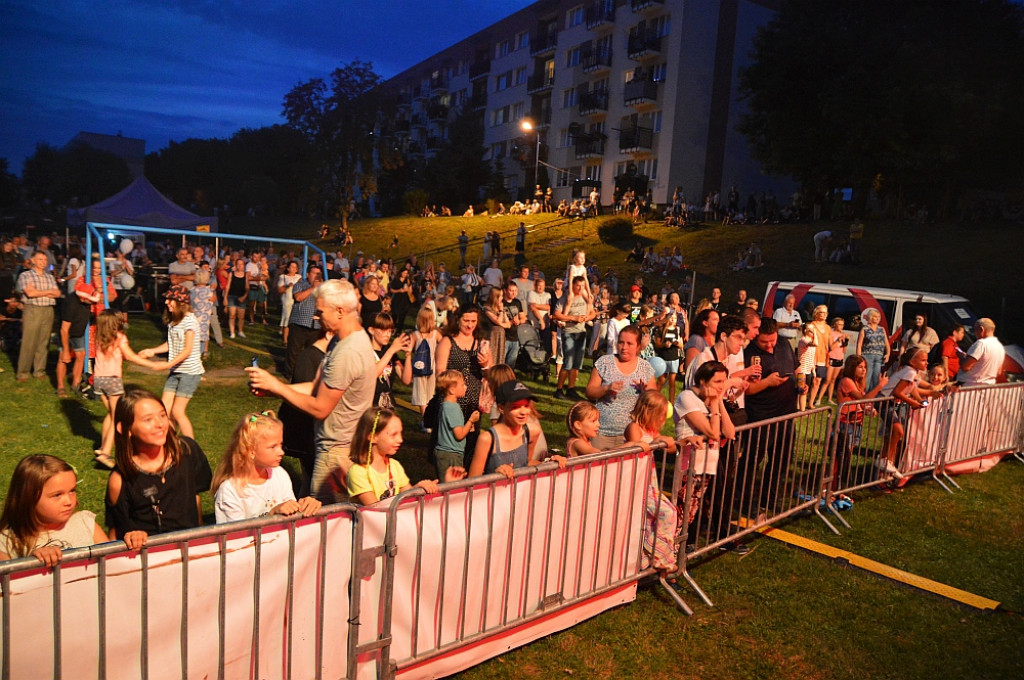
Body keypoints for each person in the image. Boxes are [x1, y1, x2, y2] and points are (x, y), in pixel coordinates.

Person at [247, 279, 376, 505]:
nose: (316, 317)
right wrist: (273, 389)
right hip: (339, 447)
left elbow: (320, 407)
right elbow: (318, 388)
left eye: (320, 311)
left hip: (336, 453)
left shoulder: (348, 352)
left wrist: (277, 386)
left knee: (328, 527)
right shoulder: (345, 340)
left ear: (339, 311)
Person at [105, 389, 213, 548]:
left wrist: (199, 538)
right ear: (125, 429)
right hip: (150, 559)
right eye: (148, 419)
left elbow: (195, 495)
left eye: (163, 415)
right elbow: (115, 535)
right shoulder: (120, 479)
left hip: (191, 550)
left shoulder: (188, 451)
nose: (160, 424)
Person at [0, 455, 110, 566]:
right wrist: (34, 562)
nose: (68, 501)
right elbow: (9, 582)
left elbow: (113, 562)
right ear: (28, 498)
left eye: (72, 491)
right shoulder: (7, 542)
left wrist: (128, 543)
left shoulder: (85, 523)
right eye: (57, 495)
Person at [212, 411, 321, 522]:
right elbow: (235, 536)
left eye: (281, 445)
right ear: (251, 451)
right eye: (273, 447)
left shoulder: (279, 474)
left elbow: (291, 512)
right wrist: (272, 514)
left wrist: (303, 505)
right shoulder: (230, 491)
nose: (281, 452)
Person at [741, 318, 805, 509]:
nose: (769, 345)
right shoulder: (749, 354)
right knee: (752, 461)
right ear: (755, 338)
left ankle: (769, 499)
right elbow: (746, 389)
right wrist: (767, 383)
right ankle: (746, 501)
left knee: (781, 461)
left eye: (772, 340)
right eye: (764, 342)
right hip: (760, 416)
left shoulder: (784, 344)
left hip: (786, 415)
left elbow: (797, 368)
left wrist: (801, 382)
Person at [347, 408, 466, 505]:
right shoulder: (358, 473)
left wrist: (445, 485)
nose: (400, 439)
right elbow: (376, 510)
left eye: (400, 433)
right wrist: (415, 491)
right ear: (372, 437)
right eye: (393, 435)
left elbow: (408, 501)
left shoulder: (394, 465)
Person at [624, 389, 683, 572]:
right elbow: (639, 447)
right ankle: (660, 555)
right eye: (660, 417)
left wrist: (667, 442)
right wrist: (657, 442)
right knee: (667, 513)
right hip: (638, 482)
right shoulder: (634, 427)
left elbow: (670, 448)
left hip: (650, 480)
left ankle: (646, 558)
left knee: (651, 520)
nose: (662, 422)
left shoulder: (651, 430)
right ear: (649, 412)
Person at [136, 285, 204, 439]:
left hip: (189, 372)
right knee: (164, 410)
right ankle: (171, 441)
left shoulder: (190, 321)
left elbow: (187, 350)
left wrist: (166, 364)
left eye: (170, 299)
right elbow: (171, 343)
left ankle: (192, 447)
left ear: (181, 302)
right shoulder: (174, 322)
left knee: (177, 412)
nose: (166, 302)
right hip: (176, 370)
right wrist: (152, 351)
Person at [92, 309, 156, 468]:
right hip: (113, 381)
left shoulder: (98, 337)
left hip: (99, 380)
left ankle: (101, 447)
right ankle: (106, 453)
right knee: (117, 418)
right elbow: (131, 356)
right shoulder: (120, 338)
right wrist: (153, 364)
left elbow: (123, 356)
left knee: (110, 414)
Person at [468, 381, 565, 478]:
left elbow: (527, 463)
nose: (523, 412)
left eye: (526, 406)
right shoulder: (487, 439)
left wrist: (550, 463)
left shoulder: (532, 432)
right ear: (501, 408)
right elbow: (473, 480)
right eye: (515, 407)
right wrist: (496, 473)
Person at [586, 325, 657, 449]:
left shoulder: (645, 368)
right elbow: (590, 392)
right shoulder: (604, 362)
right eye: (621, 342)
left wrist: (645, 393)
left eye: (629, 344)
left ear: (638, 347)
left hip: (630, 436)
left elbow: (655, 402)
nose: (624, 347)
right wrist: (606, 389)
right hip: (601, 432)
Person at [877, 348, 934, 479]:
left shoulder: (913, 372)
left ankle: (887, 462)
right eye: (923, 360)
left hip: (893, 404)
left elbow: (912, 388)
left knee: (891, 434)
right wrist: (912, 403)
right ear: (912, 362)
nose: (927, 363)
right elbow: (897, 392)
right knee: (898, 431)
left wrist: (920, 400)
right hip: (885, 402)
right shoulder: (909, 371)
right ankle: (884, 461)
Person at [834, 355, 888, 489]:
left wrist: (869, 409)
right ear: (852, 368)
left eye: (865, 367)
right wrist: (879, 386)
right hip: (845, 424)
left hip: (856, 423)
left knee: (847, 455)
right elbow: (862, 399)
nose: (864, 370)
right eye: (860, 367)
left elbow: (862, 403)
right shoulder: (847, 381)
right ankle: (835, 485)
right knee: (842, 457)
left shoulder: (858, 383)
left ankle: (841, 485)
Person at [15, 250, 60, 381]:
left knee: (43, 342)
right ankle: (23, 372)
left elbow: (56, 293)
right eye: (40, 259)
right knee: (29, 341)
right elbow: (30, 293)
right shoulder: (26, 275)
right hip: (33, 310)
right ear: (33, 260)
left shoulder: (49, 276)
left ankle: (39, 370)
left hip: (48, 310)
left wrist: (39, 292)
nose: (43, 262)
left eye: (45, 260)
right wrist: (48, 291)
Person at [552, 276, 594, 400]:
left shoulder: (585, 297)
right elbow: (556, 314)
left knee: (577, 364)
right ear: (573, 285)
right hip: (569, 332)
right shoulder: (566, 297)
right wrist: (573, 318)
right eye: (578, 286)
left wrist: (587, 318)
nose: (580, 288)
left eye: (582, 286)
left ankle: (571, 388)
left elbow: (592, 313)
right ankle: (559, 390)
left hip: (581, 332)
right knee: (567, 362)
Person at [433, 370, 481, 479]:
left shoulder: (446, 405)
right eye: (463, 385)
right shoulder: (452, 408)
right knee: (450, 487)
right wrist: (471, 421)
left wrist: (468, 427)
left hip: (447, 453)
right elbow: (459, 435)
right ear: (452, 390)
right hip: (451, 455)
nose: (466, 387)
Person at [402, 306, 443, 428]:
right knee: (430, 395)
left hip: (419, 368)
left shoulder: (415, 335)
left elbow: (410, 349)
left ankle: (425, 422)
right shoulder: (436, 334)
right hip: (432, 368)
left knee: (421, 396)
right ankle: (430, 422)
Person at [284, 265, 323, 379]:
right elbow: (298, 298)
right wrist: (312, 288)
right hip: (299, 323)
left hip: (315, 326)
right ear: (307, 274)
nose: (316, 276)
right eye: (314, 273)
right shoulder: (300, 284)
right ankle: (290, 374)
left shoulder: (322, 288)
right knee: (294, 351)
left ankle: (307, 375)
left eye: (318, 274)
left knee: (311, 353)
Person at [367, 312, 411, 410]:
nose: (387, 334)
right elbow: (372, 375)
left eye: (390, 330)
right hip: (370, 405)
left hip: (388, 405)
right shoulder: (366, 352)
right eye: (383, 329)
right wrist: (391, 350)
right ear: (371, 330)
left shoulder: (390, 353)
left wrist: (408, 355)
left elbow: (406, 380)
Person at [957, 318, 1005, 385]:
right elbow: (999, 372)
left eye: (975, 330)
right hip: (988, 387)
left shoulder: (981, 344)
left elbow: (966, 367)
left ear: (981, 329)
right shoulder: (1000, 347)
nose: (974, 333)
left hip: (971, 387)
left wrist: (962, 357)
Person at [856, 308, 889, 392]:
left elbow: (886, 343)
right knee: (866, 377)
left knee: (876, 378)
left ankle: (873, 398)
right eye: (875, 317)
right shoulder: (865, 329)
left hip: (879, 357)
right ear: (870, 317)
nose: (877, 319)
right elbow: (859, 344)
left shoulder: (882, 329)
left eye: (878, 317)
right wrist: (859, 358)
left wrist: (888, 353)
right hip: (867, 356)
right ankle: (864, 395)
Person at [822, 317, 848, 404]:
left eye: (842, 325)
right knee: (827, 379)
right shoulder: (831, 334)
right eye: (839, 324)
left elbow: (844, 350)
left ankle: (829, 399)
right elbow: (831, 347)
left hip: (839, 358)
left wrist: (846, 342)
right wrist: (838, 340)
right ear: (835, 325)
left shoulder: (843, 334)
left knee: (833, 379)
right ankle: (819, 398)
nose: (841, 326)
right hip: (832, 357)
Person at [482, 287, 510, 368]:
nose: (502, 298)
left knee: (500, 358)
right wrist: (501, 311)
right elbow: (498, 321)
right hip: (492, 337)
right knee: (492, 358)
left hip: (500, 337)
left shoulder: (500, 309)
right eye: (500, 296)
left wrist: (502, 312)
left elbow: (508, 324)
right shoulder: (487, 309)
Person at [501, 281, 527, 365]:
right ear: (505, 290)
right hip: (504, 337)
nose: (514, 293)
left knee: (511, 362)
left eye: (515, 291)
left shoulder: (517, 302)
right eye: (511, 290)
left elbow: (523, 318)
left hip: (515, 337)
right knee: (501, 361)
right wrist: (511, 322)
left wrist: (519, 321)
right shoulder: (500, 303)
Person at [277, 260, 302, 346]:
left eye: (295, 267)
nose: (294, 269)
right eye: (292, 267)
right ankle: (285, 339)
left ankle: (293, 338)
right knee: (286, 319)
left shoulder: (299, 277)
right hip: (287, 300)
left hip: (296, 300)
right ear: (288, 268)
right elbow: (280, 290)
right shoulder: (283, 277)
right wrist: (288, 286)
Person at [224, 257, 249, 339]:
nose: (239, 266)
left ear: (244, 266)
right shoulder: (232, 274)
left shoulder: (246, 275)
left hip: (242, 296)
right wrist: (225, 297)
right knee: (232, 315)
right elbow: (228, 286)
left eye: (241, 264)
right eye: (238, 264)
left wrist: (244, 296)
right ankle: (232, 332)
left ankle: (240, 331)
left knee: (241, 316)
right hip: (232, 296)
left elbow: (247, 288)